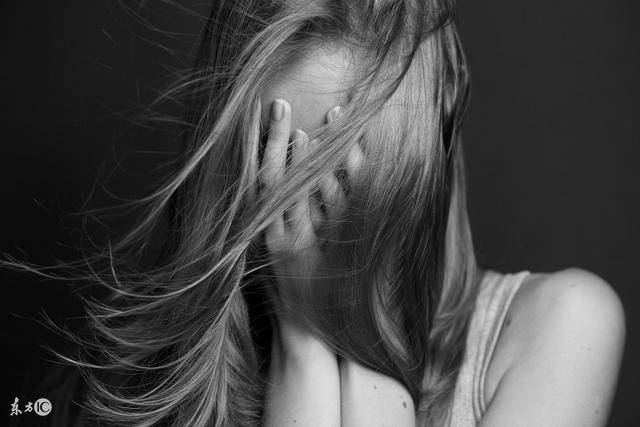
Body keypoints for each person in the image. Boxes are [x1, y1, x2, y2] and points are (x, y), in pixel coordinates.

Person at [3, 0, 625, 426]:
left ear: (430, 153)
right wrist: (303, 342)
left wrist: (340, 329)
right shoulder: (125, 386)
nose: (309, 219)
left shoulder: (560, 324)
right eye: (276, 171)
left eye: (348, 183)